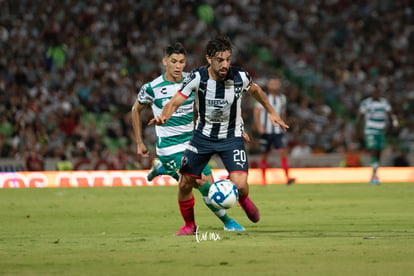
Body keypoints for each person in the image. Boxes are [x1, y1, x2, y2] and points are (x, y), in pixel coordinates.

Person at [149, 36, 289, 236]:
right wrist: (164, 115)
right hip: (202, 138)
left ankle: (242, 197)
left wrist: (272, 113)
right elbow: (175, 101)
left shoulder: (240, 76)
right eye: (220, 60)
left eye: (228, 60)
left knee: (240, 185)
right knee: (185, 183)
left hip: (231, 138)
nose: (225, 65)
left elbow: (257, 91)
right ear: (209, 59)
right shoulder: (197, 77)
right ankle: (189, 226)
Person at [131, 42, 244, 232]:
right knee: (200, 184)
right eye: (173, 61)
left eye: (182, 62)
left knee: (209, 183)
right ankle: (224, 223)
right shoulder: (152, 88)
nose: (178, 66)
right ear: (164, 61)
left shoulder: (192, 80)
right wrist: (139, 141)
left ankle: (162, 168)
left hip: (193, 145)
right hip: (169, 148)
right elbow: (136, 110)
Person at [253, 78, 295, 185]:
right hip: (266, 131)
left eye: (277, 83)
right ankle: (263, 179)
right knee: (264, 154)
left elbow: (283, 113)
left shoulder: (282, 98)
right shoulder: (264, 96)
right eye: (272, 83)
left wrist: (283, 124)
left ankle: (287, 177)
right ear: (268, 85)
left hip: (277, 131)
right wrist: (259, 126)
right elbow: (257, 112)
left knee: (282, 152)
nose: (275, 85)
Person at [356, 83, 399, 184]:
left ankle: (375, 172)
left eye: (378, 92)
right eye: (374, 92)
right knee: (373, 149)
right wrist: (357, 130)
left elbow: (390, 114)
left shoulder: (384, 103)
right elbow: (360, 117)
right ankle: (374, 175)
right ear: (372, 93)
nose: (376, 94)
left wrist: (394, 122)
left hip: (381, 131)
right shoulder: (366, 103)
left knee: (379, 152)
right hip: (370, 130)